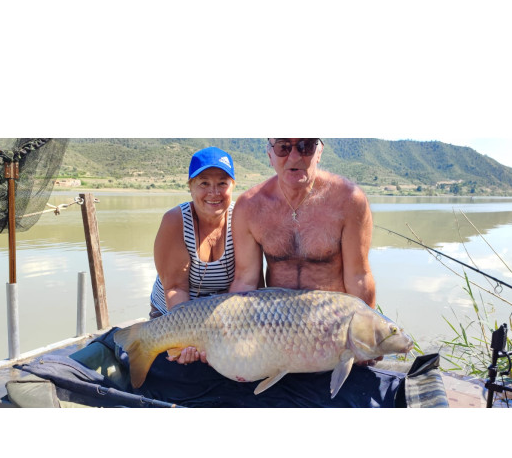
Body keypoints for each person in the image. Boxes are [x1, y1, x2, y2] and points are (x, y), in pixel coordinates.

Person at [229, 138, 376, 309]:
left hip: (333, 317)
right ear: (270, 155)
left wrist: (370, 324)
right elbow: (246, 280)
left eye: (305, 146)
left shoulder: (349, 200)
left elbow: (358, 277)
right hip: (275, 317)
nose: (294, 157)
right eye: (283, 147)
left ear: (319, 152)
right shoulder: (249, 206)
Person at [149, 146, 236, 364]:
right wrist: (187, 338)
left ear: (233, 186)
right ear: (190, 187)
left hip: (224, 321)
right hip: (172, 317)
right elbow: (175, 287)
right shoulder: (175, 220)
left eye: (222, 183)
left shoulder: (242, 218)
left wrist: (232, 332)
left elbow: (249, 282)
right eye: (204, 183)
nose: (214, 192)